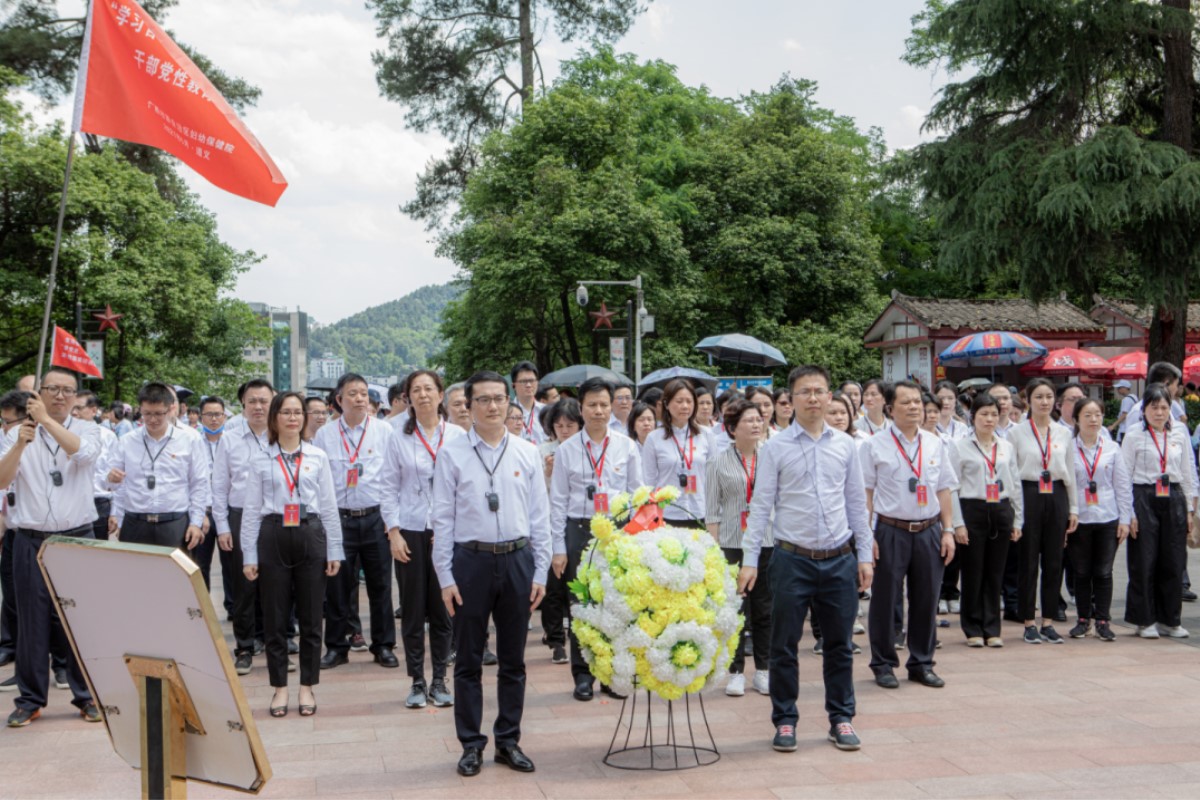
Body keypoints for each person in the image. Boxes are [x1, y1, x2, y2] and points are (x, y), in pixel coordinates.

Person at [738, 365, 873, 753]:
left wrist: (864, 555)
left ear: (830, 397)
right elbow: (761, 506)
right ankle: (784, 719)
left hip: (839, 558)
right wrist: (750, 559)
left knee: (839, 644)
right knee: (783, 645)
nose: (813, 398)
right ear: (790, 400)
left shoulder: (847, 445)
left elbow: (855, 504)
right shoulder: (775, 447)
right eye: (804, 392)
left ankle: (841, 718)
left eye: (819, 391)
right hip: (791, 558)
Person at [432, 370, 551, 777]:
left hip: (517, 560)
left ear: (509, 401)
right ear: (468, 404)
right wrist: (445, 577)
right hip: (470, 562)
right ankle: (470, 744)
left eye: (499, 398)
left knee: (513, 660)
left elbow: (540, 515)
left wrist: (541, 572)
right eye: (482, 399)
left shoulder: (526, 451)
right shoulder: (452, 453)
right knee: (466, 660)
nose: (492, 406)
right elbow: (442, 519)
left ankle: (508, 740)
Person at [0, 369, 102, 727]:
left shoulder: (88, 428)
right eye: (52, 389)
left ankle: (87, 696)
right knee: (31, 621)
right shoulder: (15, 433)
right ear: (38, 392)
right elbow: (2, 479)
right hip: (29, 539)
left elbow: (84, 455)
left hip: (76, 537)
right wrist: (19, 444)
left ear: (75, 397)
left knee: (79, 619)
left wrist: (45, 420)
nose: (60, 396)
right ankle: (30, 699)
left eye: (67, 391)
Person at [241, 392, 343, 717]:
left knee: (312, 616)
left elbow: (328, 506)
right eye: (286, 412)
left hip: (310, 534)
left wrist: (334, 549)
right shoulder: (261, 459)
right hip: (273, 536)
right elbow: (251, 511)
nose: (293, 418)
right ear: (275, 418)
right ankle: (280, 687)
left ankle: (308, 686)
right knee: (275, 617)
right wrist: (249, 555)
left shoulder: (317, 457)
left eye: (298, 412)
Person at [549, 378, 642, 701]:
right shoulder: (566, 450)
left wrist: (632, 539)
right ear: (581, 408)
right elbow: (558, 501)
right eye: (592, 405)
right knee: (583, 605)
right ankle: (583, 673)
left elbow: (636, 494)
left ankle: (612, 673)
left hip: (616, 531)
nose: (599, 411)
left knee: (615, 605)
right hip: (579, 530)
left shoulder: (626, 446)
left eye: (604, 404)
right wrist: (558, 548)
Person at [862, 380, 957, 690]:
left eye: (917, 401)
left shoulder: (935, 443)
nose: (915, 407)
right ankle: (884, 663)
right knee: (886, 600)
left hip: (928, 529)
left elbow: (943, 489)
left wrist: (948, 530)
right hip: (890, 529)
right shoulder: (874, 445)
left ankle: (922, 662)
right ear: (890, 408)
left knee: (926, 598)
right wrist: (867, 536)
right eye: (906, 402)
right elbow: (866, 493)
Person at [381, 370, 463, 709]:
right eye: (416, 390)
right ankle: (417, 680)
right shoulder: (396, 435)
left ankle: (440, 679)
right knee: (413, 610)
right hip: (411, 530)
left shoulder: (458, 435)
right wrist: (394, 532)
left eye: (429, 389)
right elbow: (386, 487)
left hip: (448, 531)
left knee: (443, 609)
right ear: (407, 397)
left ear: (441, 394)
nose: (424, 395)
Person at [313, 373, 397, 671]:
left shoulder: (383, 431)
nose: (360, 398)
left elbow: (391, 479)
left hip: (376, 518)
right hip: (339, 520)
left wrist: (391, 520)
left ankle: (384, 644)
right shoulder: (325, 434)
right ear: (339, 400)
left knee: (380, 585)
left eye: (363, 393)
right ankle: (337, 646)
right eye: (353, 393)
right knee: (338, 586)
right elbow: (320, 482)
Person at [707, 399, 771, 697]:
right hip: (732, 543)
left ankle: (764, 669)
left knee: (765, 608)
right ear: (732, 428)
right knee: (734, 609)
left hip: (767, 541)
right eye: (749, 420)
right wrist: (714, 548)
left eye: (759, 419)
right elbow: (712, 511)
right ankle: (735, 671)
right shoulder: (718, 461)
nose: (757, 424)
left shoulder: (771, 456)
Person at [1121, 384, 1196, 638]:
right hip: (1143, 496)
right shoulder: (1133, 434)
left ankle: (1170, 619)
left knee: (1174, 559)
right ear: (1144, 410)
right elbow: (1124, 475)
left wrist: (1189, 508)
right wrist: (1129, 512)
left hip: (1173, 496)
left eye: (1164, 407)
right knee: (1144, 559)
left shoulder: (1180, 432)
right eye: (1154, 407)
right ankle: (1145, 619)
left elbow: (1188, 472)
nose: (1160, 412)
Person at [949, 393, 1023, 647]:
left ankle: (992, 628)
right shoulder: (959, 447)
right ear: (973, 417)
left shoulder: (1006, 447)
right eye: (984, 414)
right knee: (973, 571)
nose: (989, 419)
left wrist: (1017, 521)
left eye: (993, 414)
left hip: (1001, 509)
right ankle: (972, 628)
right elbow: (952, 487)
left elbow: (1015, 485)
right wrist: (957, 523)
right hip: (973, 509)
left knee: (995, 572)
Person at [1008, 377, 1078, 645]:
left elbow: (1069, 471)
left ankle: (1048, 620)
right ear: (1028, 400)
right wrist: (1016, 512)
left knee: (1054, 560)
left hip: (1057, 495)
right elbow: (1012, 474)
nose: (1045, 402)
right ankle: (1028, 621)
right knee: (1027, 561)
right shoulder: (1016, 433)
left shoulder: (1063, 433)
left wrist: (1073, 508)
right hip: (1028, 494)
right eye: (1039, 397)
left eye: (1049, 396)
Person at [213, 378, 275, 675]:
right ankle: (245, 647)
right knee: (243, 585)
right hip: (240, 516)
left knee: (275, 584)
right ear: (243, 405)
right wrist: (223, 526)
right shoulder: (230, 439)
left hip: (274, 518)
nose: (259, 406)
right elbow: (219, 486)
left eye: (264, 400)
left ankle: (276, 641)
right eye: (253, 401)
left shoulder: (284, 436)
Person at [101, 382, 209, 550]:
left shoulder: (189, 440)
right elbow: (112, 483)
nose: (152, 419)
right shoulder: (127, 441)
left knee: (174, 576)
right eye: (147, 413)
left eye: (159, 413)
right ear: (140, 410)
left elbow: (199, 483)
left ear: (171, 408)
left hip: (175, 524)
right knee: (134, 575)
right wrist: (110, 479)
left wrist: (195, 522)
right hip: (135, 523)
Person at [1068, 398, 1132, 642]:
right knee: (1082, 571)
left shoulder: (1112, 448)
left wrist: (1125, 519)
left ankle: (1103, 621)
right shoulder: (1068, 448)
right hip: (1079, 517)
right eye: (1087, 415)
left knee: (1104, 571)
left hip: (1108, 516)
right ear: (1076, 419)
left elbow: (1122, 486)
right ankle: (1083, 620)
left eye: (1097, 414)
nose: (1093, 419)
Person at [641, 380, 716, 530]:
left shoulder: (706, 434)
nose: (685, 406)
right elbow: (648, 480)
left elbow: (714, 475)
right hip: (666, 514)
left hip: (700, 512)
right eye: (679, 401)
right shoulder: (654, 438)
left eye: (689, 401)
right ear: (667, 404)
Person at [510, 361, 546, 445]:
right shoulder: (507, 412)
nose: (529, 385)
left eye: (532, 380)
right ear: (513, 386)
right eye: (523, 381)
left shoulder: (546, 411)